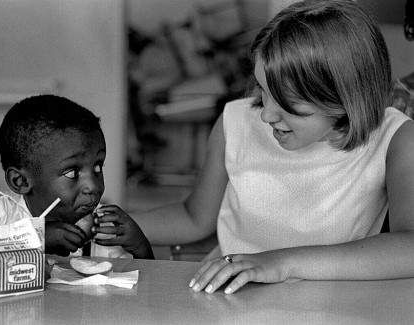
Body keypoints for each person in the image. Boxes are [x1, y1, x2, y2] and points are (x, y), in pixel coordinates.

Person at [125, 0, 414, 294]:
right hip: (229, 303)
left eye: (288, 103)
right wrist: (101, 223)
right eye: (263, 89)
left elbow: (410, 246)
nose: (266, 115)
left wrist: (279, 263)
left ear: (344, 100)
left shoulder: (396, 140)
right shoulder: (235, 122)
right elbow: (193, 218)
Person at [0, 95, 154, 263]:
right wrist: (35, 238)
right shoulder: (2, 215)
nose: (92, 186)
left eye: (97, 166)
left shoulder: (104, 229)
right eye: (72, 172)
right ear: (20, 182)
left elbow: (145, 293)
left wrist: (140, 246)